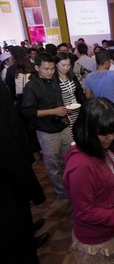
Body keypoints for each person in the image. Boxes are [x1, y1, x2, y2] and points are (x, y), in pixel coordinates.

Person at [63, 97, 114, 264]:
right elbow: (85, 212)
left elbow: (109, 177)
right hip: (98, 238)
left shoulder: (103, 147)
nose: (110, 137)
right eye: (104, 133)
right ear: (88, 130)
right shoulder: (80, 165)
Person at [0, 79, 47, 264]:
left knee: (21, 215)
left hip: (13, 157)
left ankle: (29, 232)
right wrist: (37, 194)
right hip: (7, 182)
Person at [22, 52, 73, 198]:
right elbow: (29, 112)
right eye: (46, 69)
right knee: (54, 166)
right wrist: (54, 111)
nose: (50, 72)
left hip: (63, 126)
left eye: (52, 69)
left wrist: (64, 107)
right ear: (37, 67)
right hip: (46, 132)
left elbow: (57, 101)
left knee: (69, 159)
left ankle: (71, 187)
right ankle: (62, 193)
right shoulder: (31, 86)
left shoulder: (55, 81)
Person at [54, 52, 85, 136]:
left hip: (76, 107)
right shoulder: (54, 79)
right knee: (70, 134)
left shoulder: (71, 75)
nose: (66, 68)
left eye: (68, 65)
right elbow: (53, 97)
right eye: (63, 65)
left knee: (78, 131)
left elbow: (78, 91)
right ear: (56, 64)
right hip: (64, 110)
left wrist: (80, 104)